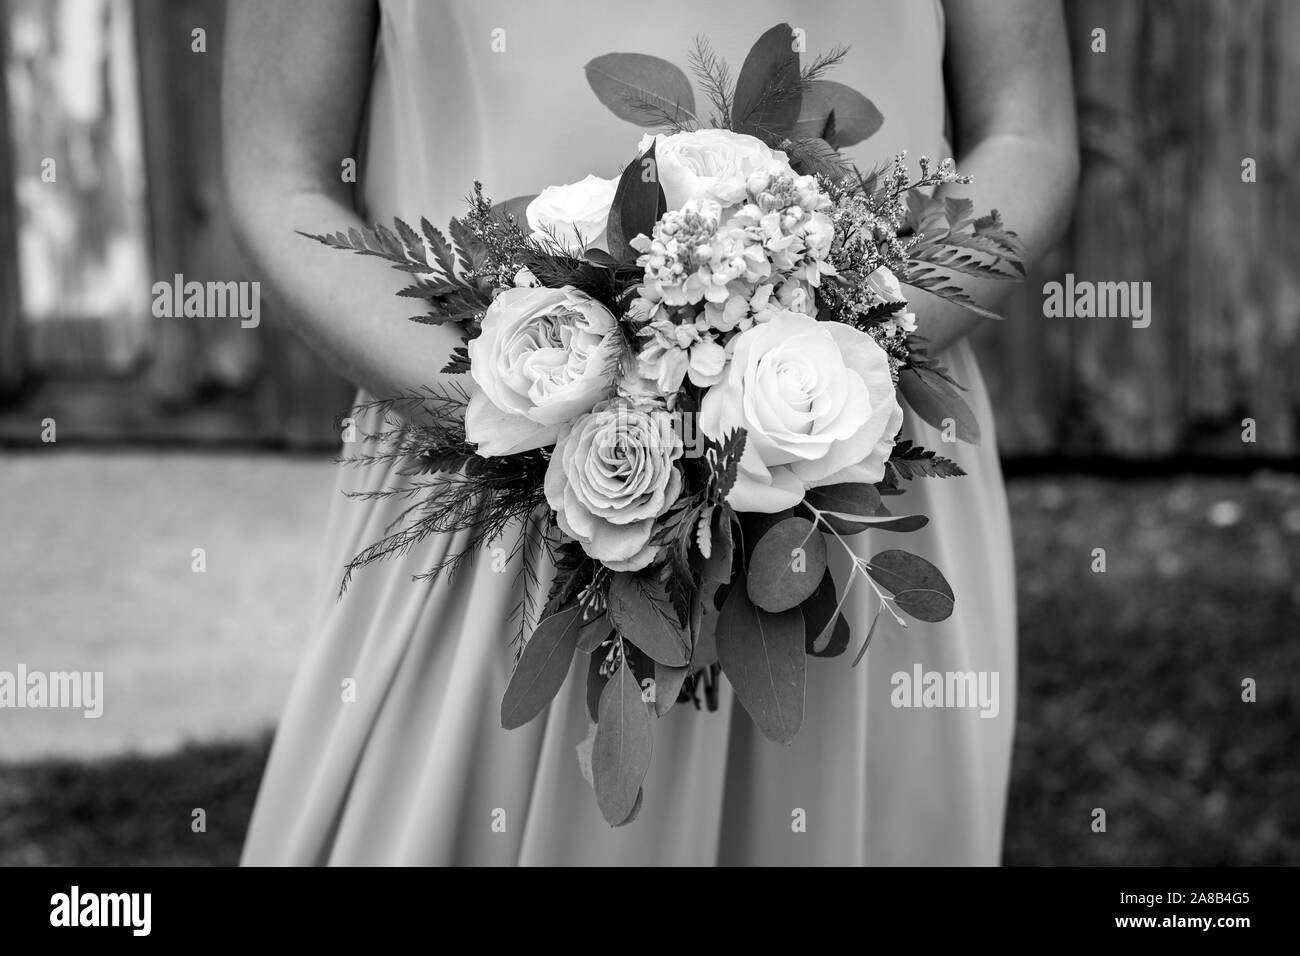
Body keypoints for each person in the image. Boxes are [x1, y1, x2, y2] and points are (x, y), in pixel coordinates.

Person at [224, 0, 1078, 865]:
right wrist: (535, 404)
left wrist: (831, 345)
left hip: (846, 453)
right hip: (480, 470)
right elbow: (279, 174)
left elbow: (1027, 133)